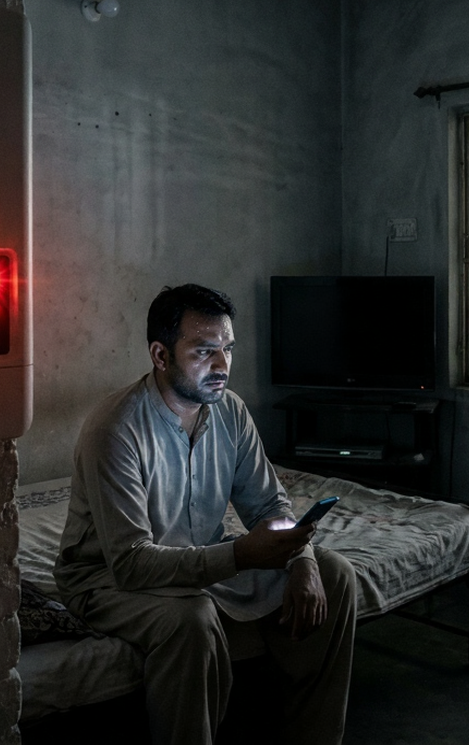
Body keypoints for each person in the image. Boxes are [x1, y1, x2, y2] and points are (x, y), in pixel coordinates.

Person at [54, 283, 357, 745]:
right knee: (190, 621)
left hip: (197, 563)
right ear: (160, 355)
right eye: (204, 352)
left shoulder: (229, 411)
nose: (222, 366)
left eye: (228, 350)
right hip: (108, 579)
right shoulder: (115, 429)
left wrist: (302, 560)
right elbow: (132, 562)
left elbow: (268, 505)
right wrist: (240, 554)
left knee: (336, 574)